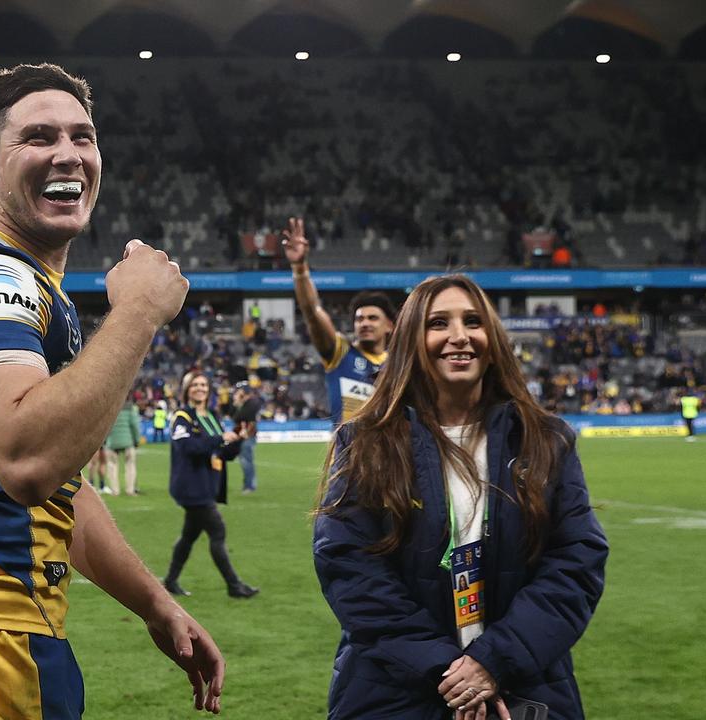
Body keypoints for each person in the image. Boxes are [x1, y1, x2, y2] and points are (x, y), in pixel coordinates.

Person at [0, 63, 224, 719]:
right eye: (39, 136)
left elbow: (63, 485)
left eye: (83, 137)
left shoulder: (30, 284)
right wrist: (139, 313)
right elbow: (27, 458)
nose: (68, 153)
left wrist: (155, 604)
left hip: (2, 634)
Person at [312, 274, 608, 719]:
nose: (458, 336)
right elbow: (349, 568)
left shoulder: (545, 440)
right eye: (438, 324)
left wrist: (494, 661)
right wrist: (449, 670)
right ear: (411, 338)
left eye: (473, 321)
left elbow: (576, 562)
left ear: (492, 338)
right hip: (396, 692)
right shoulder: (366, 443)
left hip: (522, 689)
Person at [282, 217, 396, 423]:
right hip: (347, 454)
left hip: (387, 454)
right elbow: (312, 311)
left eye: (372, 318)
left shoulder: (398, 365)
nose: (365, 323)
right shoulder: (341, 353)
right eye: (359, 319)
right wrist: (300, 268)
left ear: (389, 325)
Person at [163, 371, 259, 600]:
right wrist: (220, 438)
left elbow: (223, 453)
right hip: (191, 487)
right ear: (187, 390)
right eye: (195, 384)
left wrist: (238, 439)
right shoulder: (182, 416)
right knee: (217, 530)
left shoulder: (214, 416)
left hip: (207, 484)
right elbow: (187, 447)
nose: (200, 388)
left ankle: (170, 580)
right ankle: (234, 586)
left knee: (189, 535)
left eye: (203, 384)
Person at [103, 392, 141, 495]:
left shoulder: (110, 407)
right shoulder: (130, 408)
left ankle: (115, 491)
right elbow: (134, 426)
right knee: (130, 465)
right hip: (128, 441)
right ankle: (130, 490)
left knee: (112, 465)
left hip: (112, 442)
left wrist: (105, 440)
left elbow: (105, 426)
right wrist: (136, 441)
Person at [230, 382, 261, 494]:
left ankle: (250, 485)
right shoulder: (244, 403)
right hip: (243, 435)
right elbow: (234, 417)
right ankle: (248, 484)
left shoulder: (252, 402)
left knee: (246, 461)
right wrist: (237, 403)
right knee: (245, 461)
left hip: (248, 436)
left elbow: (241, 416)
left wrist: (238, 403)